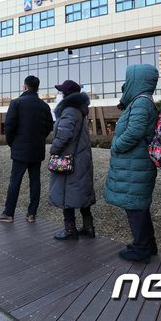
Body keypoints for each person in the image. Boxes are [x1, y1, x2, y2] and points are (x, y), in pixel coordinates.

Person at [104, 64, 160, 264]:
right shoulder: (140, 102)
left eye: (129, 79)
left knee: (135, 207)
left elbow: (135, 131)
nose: (126, 83)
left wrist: (117, 145)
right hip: (136, 165)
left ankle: (141, 248)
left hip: (135, 166)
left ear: (137, 80)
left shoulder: (141, 103)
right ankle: (147, 244)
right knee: (139, 206)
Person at [0, 75, 53, 223]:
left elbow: (9, 125)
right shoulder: (44, 106)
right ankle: (31, 214)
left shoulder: (17, 103)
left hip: (20, 149)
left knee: (15, 181)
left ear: (25, 86)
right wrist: (39, 138)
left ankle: (9, 213)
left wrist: (12, 142)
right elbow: (48, 127)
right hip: (37, 149)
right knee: (35, 182)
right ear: (38, 88)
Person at [48, 80, 96, 240]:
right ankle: (88, 227)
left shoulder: (69, 111)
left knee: (66, 193)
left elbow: (64, 135)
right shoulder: (80, 110)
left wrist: (53, 149)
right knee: (82, 192)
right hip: (81, 159)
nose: (60, 93)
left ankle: (70, 230)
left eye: (62, 91)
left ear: (66, 94)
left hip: (69, 160)